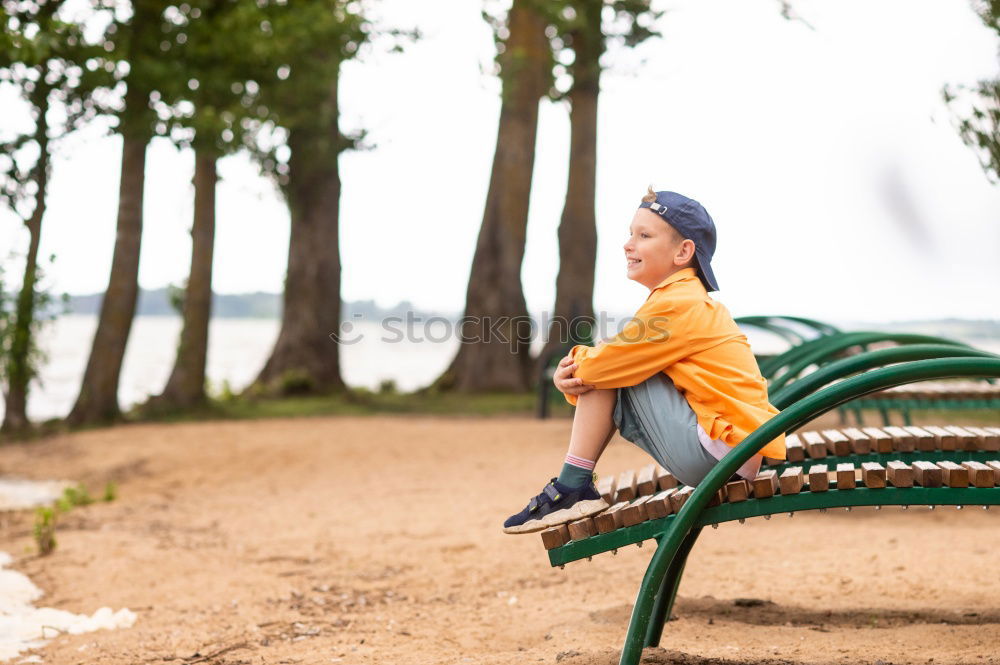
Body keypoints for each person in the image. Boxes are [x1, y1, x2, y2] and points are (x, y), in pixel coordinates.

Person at [503, 188, 786, 534]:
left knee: (610, 363)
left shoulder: (679, 304)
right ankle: (572, 485)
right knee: (615, 357)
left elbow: (600, 367)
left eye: (644, 235)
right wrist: (596, 361)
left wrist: (574, 368)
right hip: (733, 452)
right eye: (630, 234)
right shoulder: (682, 298)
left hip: (718, 456)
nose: (628, 244)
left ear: (683, 252)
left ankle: (572, 486)